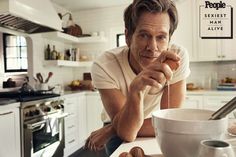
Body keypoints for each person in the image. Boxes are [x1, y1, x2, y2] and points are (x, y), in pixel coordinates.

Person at [85, 0, 190, 156]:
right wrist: (136, 89)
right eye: (144, 35)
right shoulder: (105, 65)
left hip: (144, 125)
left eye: (161, 37)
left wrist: (112, 129)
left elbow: (170, 121)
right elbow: (127, 133)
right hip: (122, 124)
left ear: (169, 39)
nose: (152, 47)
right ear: (128, 37)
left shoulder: (176, 57)